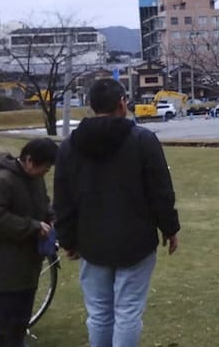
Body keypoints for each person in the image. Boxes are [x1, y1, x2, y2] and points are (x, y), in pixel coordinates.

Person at [53, 78, 180, 347]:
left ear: (91, 106)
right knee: (128, 312)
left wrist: (67, 240)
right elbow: (160, 191)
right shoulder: (143, 140)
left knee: (99, 314)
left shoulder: (69, 146)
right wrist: (170, 228)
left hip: (91, 241)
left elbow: (62, 199)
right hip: (136, 240)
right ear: (122, 103)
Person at [0, 138, 58, 347]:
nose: (45, 172)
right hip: (4, 260)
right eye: (44, 167)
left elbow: (42, 204)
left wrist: (50, 217)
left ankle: (16, 341)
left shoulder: (33, 179)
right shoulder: (2, 182)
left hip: (26, 259)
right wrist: (33, 226)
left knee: (23, 307)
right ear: (29, 160)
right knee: (5, 310)